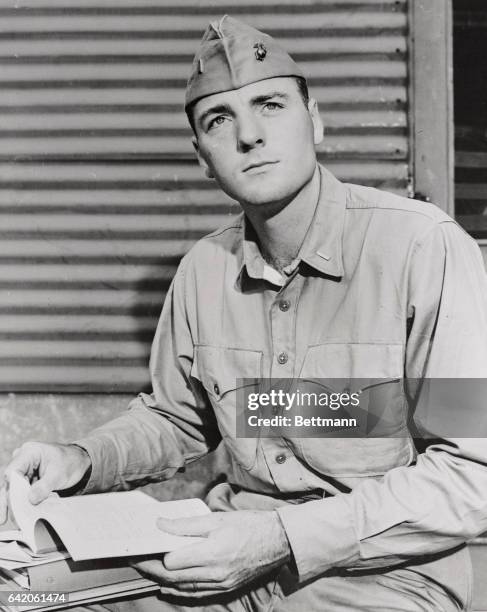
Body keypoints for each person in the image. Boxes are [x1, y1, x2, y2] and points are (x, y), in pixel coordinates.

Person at [2, 15, 487, 612]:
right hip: (222, 548)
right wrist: (80, 460)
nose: (249, 135)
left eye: (272, 105)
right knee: (24, 594)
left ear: (315, 120)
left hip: (385, 574)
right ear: (202, 155)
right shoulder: (203, 270)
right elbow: (178, 418)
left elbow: (473, 473)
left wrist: (280, 538)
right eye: (219, 119)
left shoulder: (424, 249)